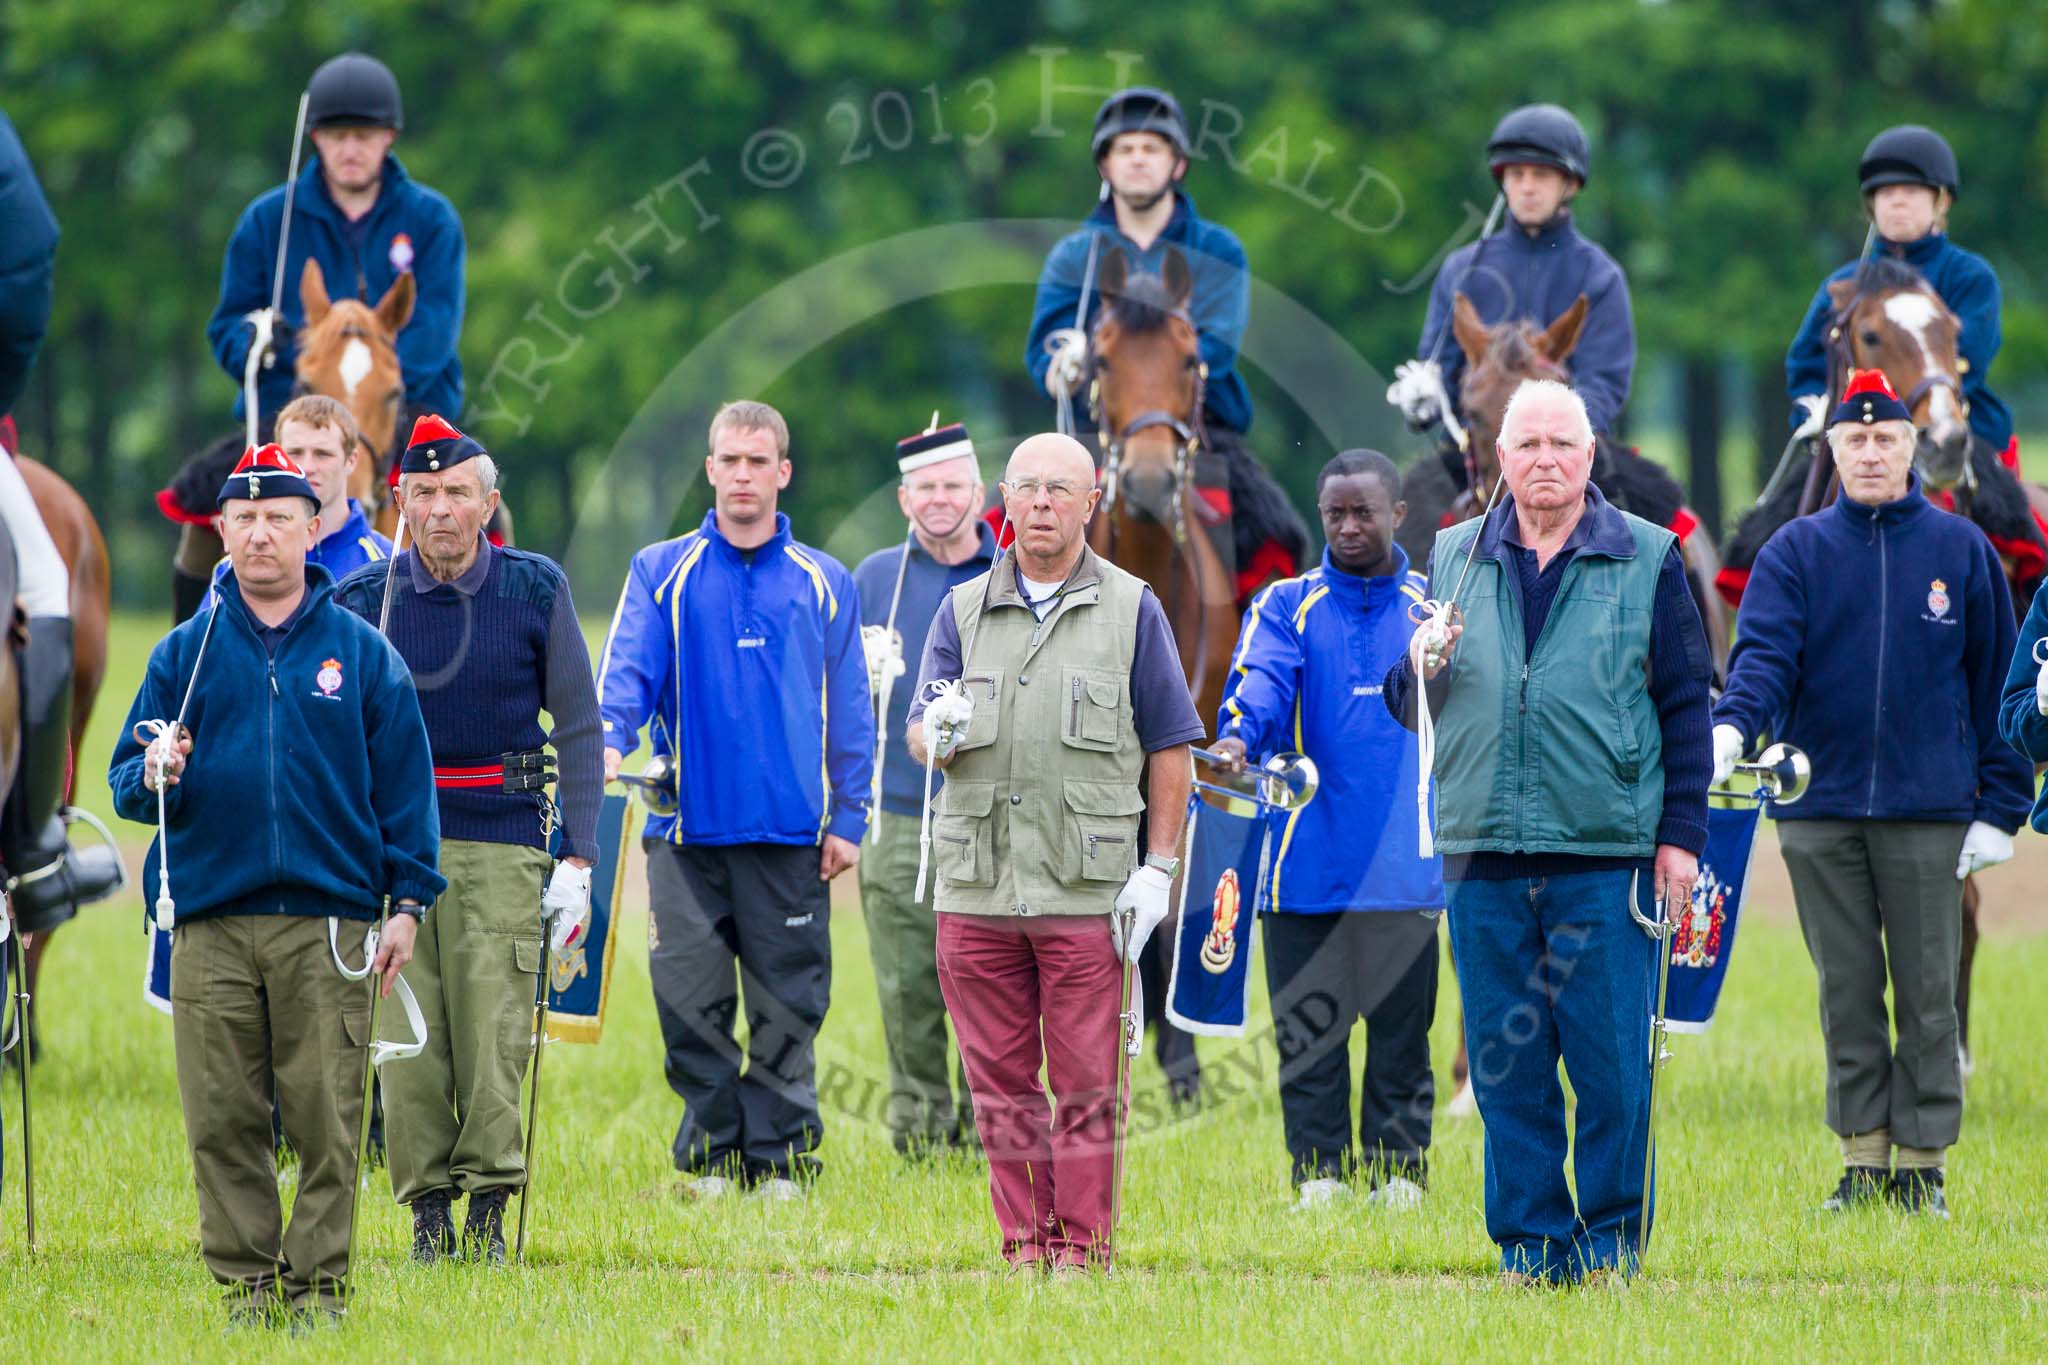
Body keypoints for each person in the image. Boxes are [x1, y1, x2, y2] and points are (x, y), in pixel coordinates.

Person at [106, 443, 444, 1326]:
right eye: (245, 518)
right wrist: (155, 768)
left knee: (328, 1119)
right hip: (209, 921)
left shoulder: (363, 656)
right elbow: (121, 781)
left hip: (329, 923)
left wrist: (406, 904)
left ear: (312, 528)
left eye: (279, 518)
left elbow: (408, 788)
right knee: (222, 1119)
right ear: (222, 531)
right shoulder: (185, 652)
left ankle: (321, 1288)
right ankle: (248, 1287)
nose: (261, 533)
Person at [1385, 379, 1712, 1285]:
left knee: (1612, 1068)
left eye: (1561, 444)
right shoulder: (1451, 554)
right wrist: (1424, 665)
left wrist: (1681, 836)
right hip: (1482, 848)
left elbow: (1686, 703)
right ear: (1499, 457)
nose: (1544, 460)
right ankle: (1531, 1244)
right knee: (1506, 1067)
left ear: (1591, 453)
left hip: (1606, 853)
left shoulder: (1649, 555)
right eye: (1526, 444)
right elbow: (1407, 704)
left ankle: (1610, 1243)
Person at [1716, 369, 2029, 1219]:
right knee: (1847, 989)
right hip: (1820, 811)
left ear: (1911, 449)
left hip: (1931, 812)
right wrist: (1735, 728)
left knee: (1929, 992)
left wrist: (2002, 807)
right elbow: (1764, 660)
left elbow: (1996, 682)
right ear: (1832, 450)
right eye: (1854, 439)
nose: (1869, 452)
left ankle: (1922, 1165)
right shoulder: (1795, 551)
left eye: (1885, 438)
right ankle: (1862, 1161)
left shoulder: (1960, 550)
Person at [907, 432, 1204, 1274]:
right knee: (1000, 1089)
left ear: (1091, 500)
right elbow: (922, 729)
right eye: (1028, 488)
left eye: (1060, 489)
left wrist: (1159, 868)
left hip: (1088, 889)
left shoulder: (1133, 605)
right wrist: (938, 733)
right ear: (1004, 498)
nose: (1041, 503)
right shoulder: (959, 610)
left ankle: (1081, 1248)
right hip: (978, 889)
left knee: (1085, 1088)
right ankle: (1024, 1241)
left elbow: (1171, 747)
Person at [333, 415, 603, 1263]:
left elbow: (583, 727)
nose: (440, 509)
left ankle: (489, 1205)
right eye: (424, 493)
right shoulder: (360, 602)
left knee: (494, 1032)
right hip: (394, 848)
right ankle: (426, 1213)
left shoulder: (535, 587)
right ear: (399, 502)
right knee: (407, 1043)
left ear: (489, 503)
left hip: (505, 839)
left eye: (457, 492)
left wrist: (581, 858)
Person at [597, 400, 872, 1200]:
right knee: (691, 1003)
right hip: (684, 832)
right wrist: (610, 737)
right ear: (710, 469)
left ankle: (781, 1160)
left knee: (790, 1001)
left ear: (783, 472)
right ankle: (713, 1157)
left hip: (791, 834)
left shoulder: (826, 581)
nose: (743, 474)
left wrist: (848, 816)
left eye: (759, 461)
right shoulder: (661, 570)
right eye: (730, 460)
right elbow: (626, 674)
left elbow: (850, 705)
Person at [1212, 450, 1443, 1212]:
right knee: (1309, 1032)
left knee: (1402, 1036)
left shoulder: (1433, 603)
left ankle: (1399, 1174)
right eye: (1335, 513)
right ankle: (1318, 1175)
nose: (1348, 526)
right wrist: (1240, 740)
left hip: (1406, 868)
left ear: (1397, 515)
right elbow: (1261, 684)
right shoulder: (1286, 604)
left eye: (1363, 512)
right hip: (1301, 863)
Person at [176, 51, 465, 617]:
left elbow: (434, 328)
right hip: (291, 403)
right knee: (199, 510)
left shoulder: (432, 220)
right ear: (316, 139)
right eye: (337, 136)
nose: (350, 149)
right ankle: (188, 654)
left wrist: (375, 375)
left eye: (364, 135)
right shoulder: (268, 219)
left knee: (479, 513)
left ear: (389, 137)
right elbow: (227, 322)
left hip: (404, 404)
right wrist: (260, 345)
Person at [1024, 85, 1304, 599]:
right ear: (1104, 167)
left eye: (1151, 148)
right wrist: (1068, 362)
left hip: (1201, 432)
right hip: (1094, 435)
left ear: (1177, 164)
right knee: (1002, 536)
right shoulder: (1074, 256)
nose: (1137, 160)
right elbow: (1042, 348)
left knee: (1278, 540)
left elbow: (1216, 349)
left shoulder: (1218, 248)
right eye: (1124, 149)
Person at [851, 419, 997, 1156]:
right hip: (899, 812)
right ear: (905, 498)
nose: (940, 500)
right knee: (906, 982)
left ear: (978, 492)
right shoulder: (873, 577)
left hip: (990, 811)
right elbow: (834, 697)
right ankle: (919, 1129)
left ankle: (987, 1128)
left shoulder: (1012, 569)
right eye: (925, 488)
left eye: (953, 485)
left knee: (987, 979)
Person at [1391, 105, 1635, 448]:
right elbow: (1441, 367)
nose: (1527, 187)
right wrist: (1426, 400)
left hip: (1572, 450)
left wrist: (1550, 437)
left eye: (1541, 175)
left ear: (1571, 184)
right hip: (1475, 454)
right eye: (1516, 174)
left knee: (1659, 497)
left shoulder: (1600, 275)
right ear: (1503, 181)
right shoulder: (1461, 270)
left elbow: (1604, 382)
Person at [1785, 126, 2012, 459]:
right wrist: (1821, 422)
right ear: (1871, 204)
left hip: (1961, 436)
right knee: (1782, 510)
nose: (1897, 200)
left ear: (1942, 201)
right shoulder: (1844, 284)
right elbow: (1806, 364)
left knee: (2009, 512)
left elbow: (1970, 358)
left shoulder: (1970, 276)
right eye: (1885, 191)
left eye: (1910, 190)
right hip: (1856, 444)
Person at [201, 395, 392, 609]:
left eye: (322, 454)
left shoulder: (388, 565)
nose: (307, 467)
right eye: (295, 453)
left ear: (351, 461)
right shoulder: (231, 570)